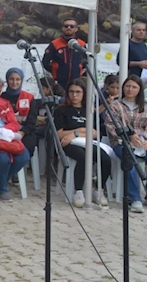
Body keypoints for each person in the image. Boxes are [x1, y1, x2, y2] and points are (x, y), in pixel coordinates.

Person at [55, 79, 110, 208]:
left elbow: (96, 133)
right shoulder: (61, 110)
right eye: (72, 92)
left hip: (86, 141)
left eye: (78, 92)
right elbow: (59, 134)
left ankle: (98, 190)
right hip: (69, 144)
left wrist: (76, 132)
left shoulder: (89, 111)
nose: (74, 95)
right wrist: (83, 131)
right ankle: (78, 191)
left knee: (105, 159)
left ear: (84, 93)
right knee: (84, 158)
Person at [106, 76, 147, 213]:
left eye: (134, 87)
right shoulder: (115, 106)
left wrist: (145, 140)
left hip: (142, 142)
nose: (130, 89)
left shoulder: (144, 107)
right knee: (129, 159)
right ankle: (135, 198)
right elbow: (112, 126)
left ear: (140, 90)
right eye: (128, 86)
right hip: (120, 142)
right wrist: (129, 137)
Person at [1, 67, 39, 156]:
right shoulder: (1, 97)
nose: (14, 82)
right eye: (11, 79)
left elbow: (32, 122)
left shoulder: (29, 98)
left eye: (17, 79)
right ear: (7, 80)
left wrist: (21, 133)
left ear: (21, 80)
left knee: (28, 146)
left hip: (25, 132)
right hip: (6, 131)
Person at [42, 17, 86, 90]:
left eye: (72, 26)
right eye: (66, 26)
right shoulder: (55, 44)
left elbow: (86, 61)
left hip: (76, 82)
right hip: (59, 83)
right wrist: (56, 70)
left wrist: (79, 68)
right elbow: (45, 62)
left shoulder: (81, 44)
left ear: (76, 29)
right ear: (62, 28)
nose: (69, 28)